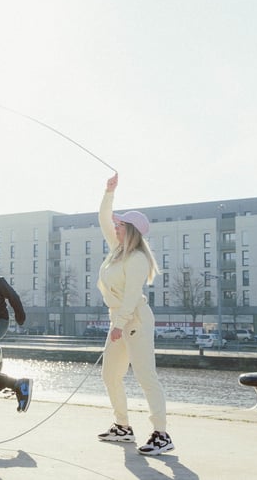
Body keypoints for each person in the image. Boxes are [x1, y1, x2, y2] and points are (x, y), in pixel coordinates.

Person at [96, 173, 174, 456]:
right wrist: (109, 192)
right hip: (119, 319)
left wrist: (118, 324)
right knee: (110, 374)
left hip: (135, 320)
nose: (115, 228)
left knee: (145, 376)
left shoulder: (137, 258)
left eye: (120, 226)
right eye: (117, 225)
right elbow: (103, 218)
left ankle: (161, 434)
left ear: (130, 231)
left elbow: (131, 296)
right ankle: (122, 427)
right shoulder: (117, 250)